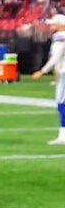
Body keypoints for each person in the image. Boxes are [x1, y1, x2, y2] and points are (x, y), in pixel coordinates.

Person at [32, 13, 65, 145]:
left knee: (61, 104)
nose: (51, 25)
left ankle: (63, 136)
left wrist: (42, 71)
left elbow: (55, 57)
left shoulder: (59, 37)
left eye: (53, 23)